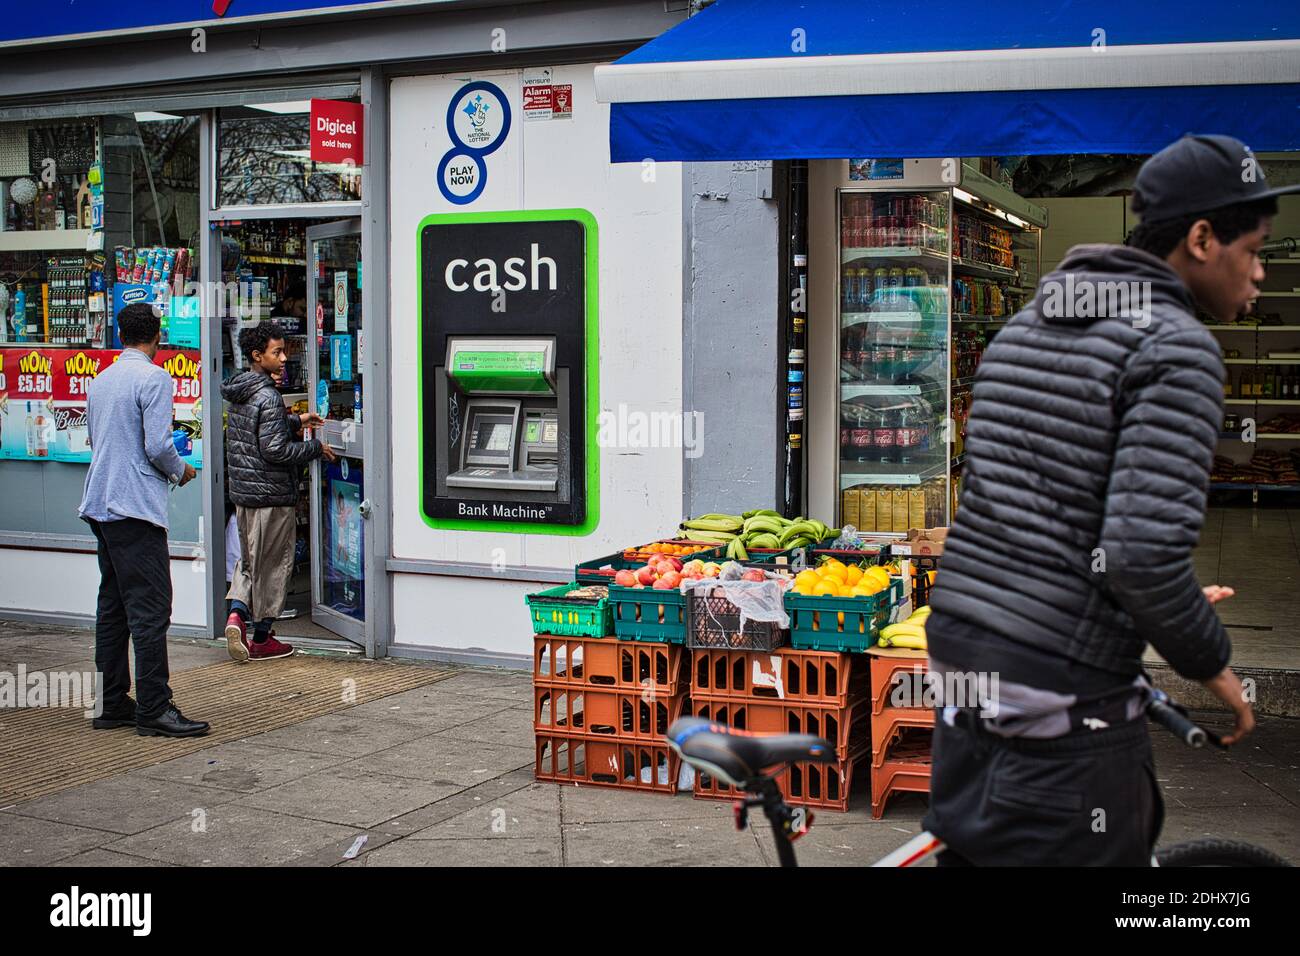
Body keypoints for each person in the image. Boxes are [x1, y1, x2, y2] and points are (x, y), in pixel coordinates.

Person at [922, 134, 1296, 866]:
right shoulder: (1178, 348)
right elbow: (1140, 555)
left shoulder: (1027, 326)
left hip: (964, 669)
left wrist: (1157, 600)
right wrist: (1210, 658)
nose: (1258, 276)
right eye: (1254, 250)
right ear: (1200, 238)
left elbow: (1052, 516)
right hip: (1062, 698)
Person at [78, 302, 209, 738]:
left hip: (101, 503)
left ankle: (112, 701)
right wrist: (181, 470)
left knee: (113, 606)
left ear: (120, 335)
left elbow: (98, 440)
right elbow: (156, 445)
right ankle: (154, 707)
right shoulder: (154, 377)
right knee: (151, 609)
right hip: (134, 508)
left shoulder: (102, 380)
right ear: (156, 337)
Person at [223, 320, 335, 661]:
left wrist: (297, 421)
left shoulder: (242, 389)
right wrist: (315, 449)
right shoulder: (269, 395)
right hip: (270, 495)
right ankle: (258, 634)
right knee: (275, 565)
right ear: (258, 356)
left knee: (250, 561)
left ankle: (237, 616)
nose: (284, 358)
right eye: (277, 352)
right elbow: (274, 450)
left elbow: (257, 431)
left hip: (245, 495)